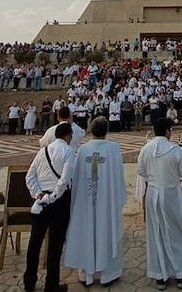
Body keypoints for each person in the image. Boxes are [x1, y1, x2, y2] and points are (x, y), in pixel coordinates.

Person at [64, 117, 127, 287]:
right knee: (106, 230)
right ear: (107, 130)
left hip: (86, 202)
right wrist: (118, 197)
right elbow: (118, 176)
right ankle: (108, 274)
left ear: (91, 130)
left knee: (88, 231)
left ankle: (87, 275)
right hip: (107, 202)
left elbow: (76, 179)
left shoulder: (83, 150)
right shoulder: (113, 149)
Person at [137, 119, 182, 290]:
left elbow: (141, 171)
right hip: (171, 193)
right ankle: (181, 274)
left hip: (152, 194)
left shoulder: (146, 149)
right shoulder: (174, 150)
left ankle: (160, 275)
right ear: (166, 131)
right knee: (175, 231)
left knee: (156, 232)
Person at [24, 122, 76, 292]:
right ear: (68, 136)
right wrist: (53, 196)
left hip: (41, 201)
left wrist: (38, 194)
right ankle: (51, 285)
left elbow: (30, 176)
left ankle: (29, 282)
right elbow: (65, 179)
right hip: (59, 201)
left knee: (35, 242)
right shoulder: (68, 151)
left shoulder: (42, 151)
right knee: (55, 244)